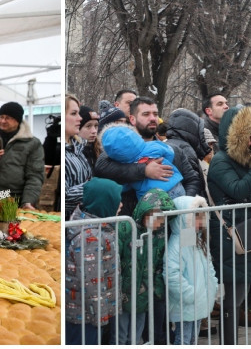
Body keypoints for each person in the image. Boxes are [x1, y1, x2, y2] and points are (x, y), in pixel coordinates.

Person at [206, 105, 251, 344]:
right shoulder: (221, 161)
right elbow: (237, 189)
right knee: (231, 298)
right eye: (248, 135)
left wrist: (249, 196)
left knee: (239, 294)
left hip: (245, 233)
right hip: (228, 237)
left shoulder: (247, 162)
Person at [65, 177, 122, 345]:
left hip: (91, 312)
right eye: (117, 201)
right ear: (104, 203)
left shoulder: (99, 228)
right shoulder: (90, 237)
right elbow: (91, 282)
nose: (121, 205)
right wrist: (100, 315)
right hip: (86, 314)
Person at [119, 188, 175, 345]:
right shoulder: (127, 228)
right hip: (124, 290)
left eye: (162, 218)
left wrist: (157, 289)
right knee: (120, 335)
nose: (159, 223)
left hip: (145, 293)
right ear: (144, 213)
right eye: (155, 217)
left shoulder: (160, 236)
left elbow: (158, 264)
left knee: (136, 336)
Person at [164, 194, 215, 345]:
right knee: (184, 340)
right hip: (187, 303)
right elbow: (171, 273)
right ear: (185, 218)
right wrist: (190, 294)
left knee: (192, 340)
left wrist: (212, 285)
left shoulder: (195, 239)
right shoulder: (177, 243)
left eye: (201, 217)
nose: (200, 222)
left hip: (198, 301)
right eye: (195, 218)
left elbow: (206, 264)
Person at [0, 101, 45, 209]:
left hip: (11, 197)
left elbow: (34, 176)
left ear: (17, 120)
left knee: (6, 225)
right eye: (1, 117)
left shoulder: (31, 143)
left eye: (8, 118)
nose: (3, 121)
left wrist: (28, 201)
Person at [101, 122, 185, 200]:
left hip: (150, 198)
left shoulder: (127, 167)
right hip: (174, 184)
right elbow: (170, 152)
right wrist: (166, 163)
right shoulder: (152, 145)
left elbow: (125, 186)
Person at [163, 108, 209, 198]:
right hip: (188, 204)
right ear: (192, 128)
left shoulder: (167, 144)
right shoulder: (186, 148)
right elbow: (193, 181)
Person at [63, 95, 92, 218]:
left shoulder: (78, 147)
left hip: (79, 219)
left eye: (78, 113)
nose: (80, 118)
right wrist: (93, 187)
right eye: (74, 113)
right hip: (6, 193)